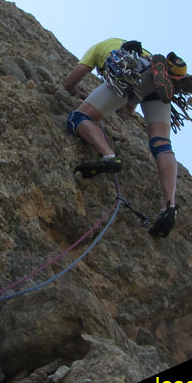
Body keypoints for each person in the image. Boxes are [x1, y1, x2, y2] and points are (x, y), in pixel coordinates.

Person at [63, 38, 180, 236]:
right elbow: (129, 108)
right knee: (161, 143)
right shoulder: (142, 51)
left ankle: (108, 156)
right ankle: (169, 206)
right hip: (152, 74)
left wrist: (75, 91)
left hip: (127, 71)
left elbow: (72, 79)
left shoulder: (97, 47)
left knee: (78, 117)